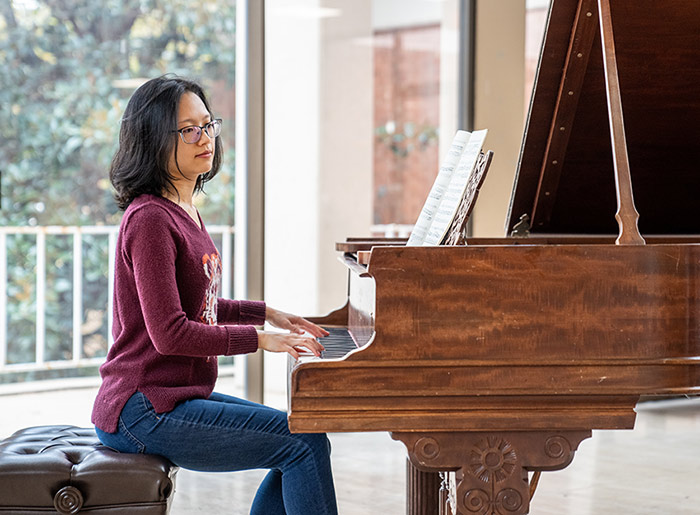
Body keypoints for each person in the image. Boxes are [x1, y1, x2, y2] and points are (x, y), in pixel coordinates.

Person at [91, 75, 338, 515]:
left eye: (208, 125)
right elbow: (171, 333)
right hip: (143, 409)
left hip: (171, 395)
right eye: (189, 130)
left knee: (300, 438)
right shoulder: (149, 219)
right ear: (153, 139)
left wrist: (269, 315)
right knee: (301, 444)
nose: (205, 138)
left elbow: (196, 308)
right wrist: (259, 339)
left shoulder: (183, 211)